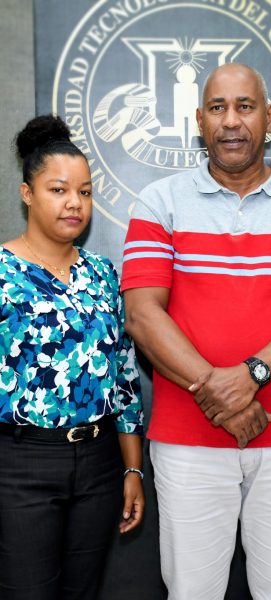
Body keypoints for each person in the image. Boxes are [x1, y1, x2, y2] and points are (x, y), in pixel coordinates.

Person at [121, 63, 271, 600]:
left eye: (245, 107)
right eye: (217, 108)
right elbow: (142, 316)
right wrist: (222, 396)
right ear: (199, 120)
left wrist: (250, 375)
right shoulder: (159, 201)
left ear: (269, 116)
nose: (231, 121)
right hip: (188, 439)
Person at [0, 115, 144, 600]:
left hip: (100, 463)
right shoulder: (3, 271)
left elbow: (123, 374)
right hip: (20, 464)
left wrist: (131, 469)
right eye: (58, 190)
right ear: (27, 193)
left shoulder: (102, 272)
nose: (74, 203)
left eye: (84, 192)